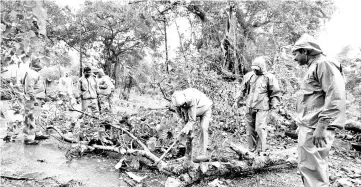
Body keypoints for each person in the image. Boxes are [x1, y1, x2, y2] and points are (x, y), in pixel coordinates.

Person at [291, 34, 346, 187]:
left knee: (313, 172)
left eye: (296, 53)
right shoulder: (315, 66)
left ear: (305, 51)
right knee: (310, 169)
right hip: (309, 126)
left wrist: (322, 126)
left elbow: (335, 95)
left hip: (316, 127)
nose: (294, 58)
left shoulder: (324, 64)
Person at [235, 56, 281, 153]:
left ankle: (260, 151)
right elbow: (242, 89)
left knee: (260, 128)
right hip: (249, 106)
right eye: (254, 69)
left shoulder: (269, 77)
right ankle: (251, 150)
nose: (255, 71)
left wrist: (274, 105)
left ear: (262, 67)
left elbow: (275, 93)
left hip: (262, 107)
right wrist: (238, 100)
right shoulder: (249, 76)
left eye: (257, 69)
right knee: (249, 130)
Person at [171, 87, 213, 173]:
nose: (181, 107)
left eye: (183, 105)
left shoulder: (191, 98)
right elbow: (181, 117)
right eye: (180, 106)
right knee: (184, 125)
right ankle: (183, 149)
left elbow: (192, 120)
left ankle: (202, 155)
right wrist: (181, 132)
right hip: (192, 109)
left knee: (203, 128)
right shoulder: (176, 102)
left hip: (205, 108)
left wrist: (187, 125)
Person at [23, 59, 49, 144]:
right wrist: (34, 100)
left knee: (36, 117)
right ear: (36, 65)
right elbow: (29, 89)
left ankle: (37, 133)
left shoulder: (35, 73)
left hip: (37, 98)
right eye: (40, 63)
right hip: (33, 99)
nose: (42, 65)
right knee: (31, 118)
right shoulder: (31, 73)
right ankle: (29, 139)